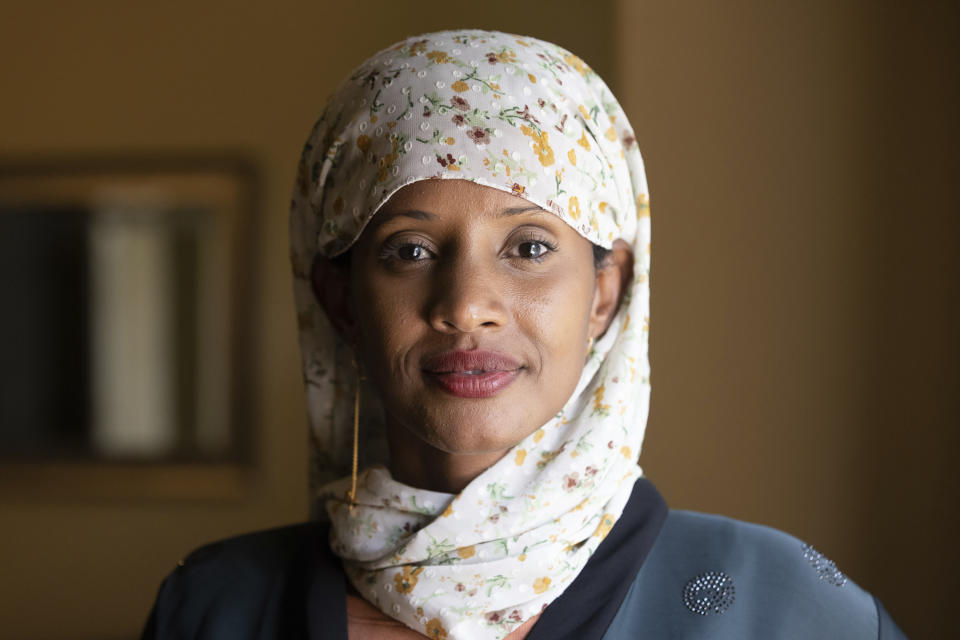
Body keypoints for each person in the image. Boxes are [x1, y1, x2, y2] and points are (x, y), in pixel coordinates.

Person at [141, 29, 905, 639]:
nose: (468, 305)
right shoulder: (214, 607)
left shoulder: (782, 609)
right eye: (410, 251)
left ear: (606, 290)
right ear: (340, 300)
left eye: (530, 248)